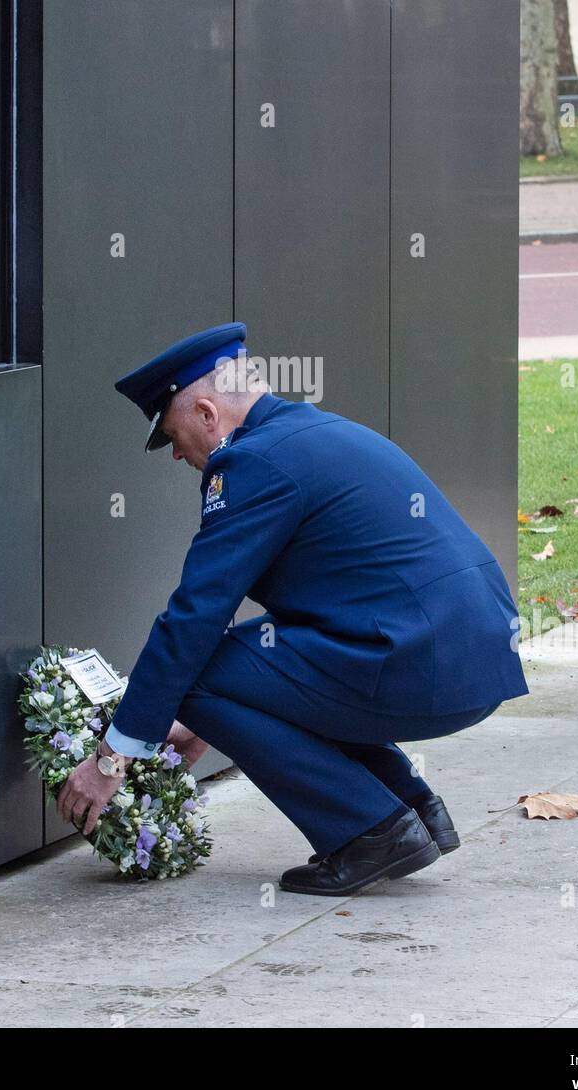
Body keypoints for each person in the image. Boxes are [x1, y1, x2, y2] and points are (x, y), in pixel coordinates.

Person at [56, 323, 529, 897]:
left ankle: (370, 830)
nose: (178, 454)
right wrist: (213, 712)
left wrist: (112, 758)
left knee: (197, 665)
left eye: (175, 436)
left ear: (207, 413)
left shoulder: (251, 464)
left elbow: (193, 620)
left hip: (420, 663)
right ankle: (411, 808)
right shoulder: (316, 431)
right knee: (241, 656)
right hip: (469, 656)